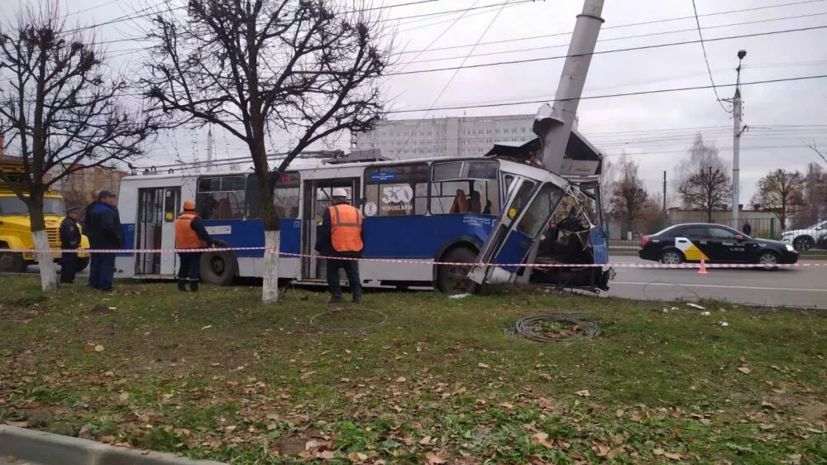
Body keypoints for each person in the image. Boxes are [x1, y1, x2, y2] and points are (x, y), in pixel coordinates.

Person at [315, 188, 364, 304]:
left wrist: (319, 248)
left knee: (332, 272)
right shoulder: (356, 211)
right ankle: (357, 296)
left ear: (334, 198)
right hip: (353, 247)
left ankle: (336, 296)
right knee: (352, 272)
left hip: (336, 247)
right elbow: (363, 231)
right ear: (345, 198)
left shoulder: (330, 210)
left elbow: (325, 231)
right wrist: (361, 248)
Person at [85, 190, 122, 291]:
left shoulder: (94, 208)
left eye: (112, 197)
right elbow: (108, 227)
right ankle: (105, 285)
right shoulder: (106, 210)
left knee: (96, 262)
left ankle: (94, 283)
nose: (112, 200)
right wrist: (116, 237)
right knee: (107, 264)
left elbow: (87, 224)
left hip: (96, 241)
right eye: (109, 197)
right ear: (103, 198)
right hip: (107, 242)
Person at [175, 200, 215, 292]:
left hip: (181, 248)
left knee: (183, 266)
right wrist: (209, 242)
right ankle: (193, 288)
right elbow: (202, 233)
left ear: (184, 208)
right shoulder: (194, 219)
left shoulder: (178, 219)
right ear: (193, 208)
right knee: (194, 267)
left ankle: (181, 286)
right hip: (194, 248)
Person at [59, 206, 82, 284]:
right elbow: (70, 236)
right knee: (70, 264)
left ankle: (65, 279)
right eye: (75, 213)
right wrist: (74, 245)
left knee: (67, 263)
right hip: (69, 247)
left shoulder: (68, 221)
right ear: (70, 214)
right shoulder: (69, 223)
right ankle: (67, 280)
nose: (76, 215)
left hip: (67, 246)